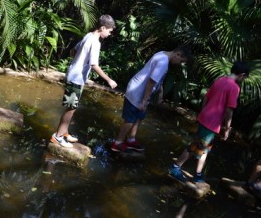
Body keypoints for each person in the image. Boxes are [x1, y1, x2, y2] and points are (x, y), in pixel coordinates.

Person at [170, 61, 250, 183]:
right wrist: (227, 129)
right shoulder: (234, 87)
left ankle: (198, 174)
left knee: (204, 148)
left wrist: (204, 112)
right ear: (242, 74)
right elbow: (229, 110)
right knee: (196, 146)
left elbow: (206, 98)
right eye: (244, 77)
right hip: (212, 122)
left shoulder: (220, 79)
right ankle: (175, 167)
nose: (243, 80)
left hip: (205, 117)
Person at [50, 15, 118, 148]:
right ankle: (57, 136)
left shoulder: (88, 35)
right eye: (109, 31)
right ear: (103, 28)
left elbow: (72, 51)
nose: (109, 34)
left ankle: (64, 133)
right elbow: (94, 65)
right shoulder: (96, 42)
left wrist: (78, 62)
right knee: (71, 108)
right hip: (76, 78)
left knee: (72, 106)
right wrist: (109, 79)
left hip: (73, 74)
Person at [111, 45, 192, 152]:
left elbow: (158, 80)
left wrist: (159, 94)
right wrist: (144, 101)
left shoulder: (163, 53)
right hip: (137, 90)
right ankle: (118, 143)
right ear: (178, 54)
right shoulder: (163, 62)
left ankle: (131, 140)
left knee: (139, 117)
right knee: (130, 119)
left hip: (142, 92)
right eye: (181, 61)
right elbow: (151, 81)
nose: (179, 64)